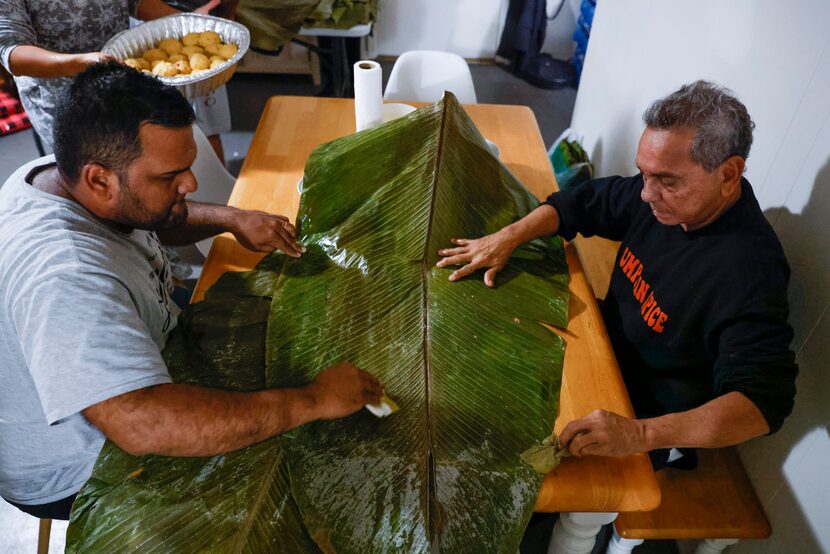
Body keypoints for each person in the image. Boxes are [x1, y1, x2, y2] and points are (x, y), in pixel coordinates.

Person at [0, 62, 382, 521]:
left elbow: (148, 214)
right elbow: (143, 425)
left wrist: (230, 218)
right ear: (99, 179)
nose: (191, 184)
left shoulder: (58, 175)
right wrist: (313, 401)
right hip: (77, 470)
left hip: (153, 342)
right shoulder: (66, 275)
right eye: (169, 178)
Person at [436, 80, 798, 469]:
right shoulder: (666, 201)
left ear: (729, 174)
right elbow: (583, 204)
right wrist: (506, 238)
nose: (646, 194)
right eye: (644, 174)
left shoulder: (749, 270)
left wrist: (640, 434)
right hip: (600, 349)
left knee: (507, 463)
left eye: (667, 181)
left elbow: (763, 404)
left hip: (643, 415)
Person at [0, 0, 230, 159]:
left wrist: (190, 24)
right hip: (66, 98)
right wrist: (79, 63)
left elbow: (135, 2)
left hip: (122, 82)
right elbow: (12, 52)